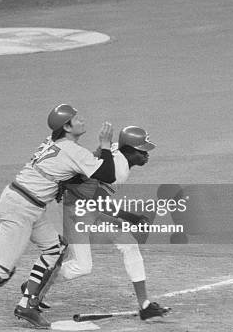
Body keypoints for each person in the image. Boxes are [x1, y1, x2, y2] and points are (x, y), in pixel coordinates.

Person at [0, 104, 118, 331]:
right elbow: (108, 174)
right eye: (77, 118)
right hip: (22, 208)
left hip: (26, 203)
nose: (83, 119)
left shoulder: (53, 142)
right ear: (66, 126)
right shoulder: (72, 150)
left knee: (55, 248)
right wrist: (105, 147)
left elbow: (70, 172)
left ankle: (27, 305)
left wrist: (93, 159)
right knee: (0, 271)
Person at [32, 126, 170, 320]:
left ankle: (145, 305)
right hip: (76, 211)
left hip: (89, 206)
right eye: (142, 151)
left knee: (130, 244)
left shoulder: (116, 149)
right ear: (129, 150)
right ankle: (36, 285)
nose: (147, 155)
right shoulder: (118, 169)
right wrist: (132, 218)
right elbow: (99, 202)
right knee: (82, 266)